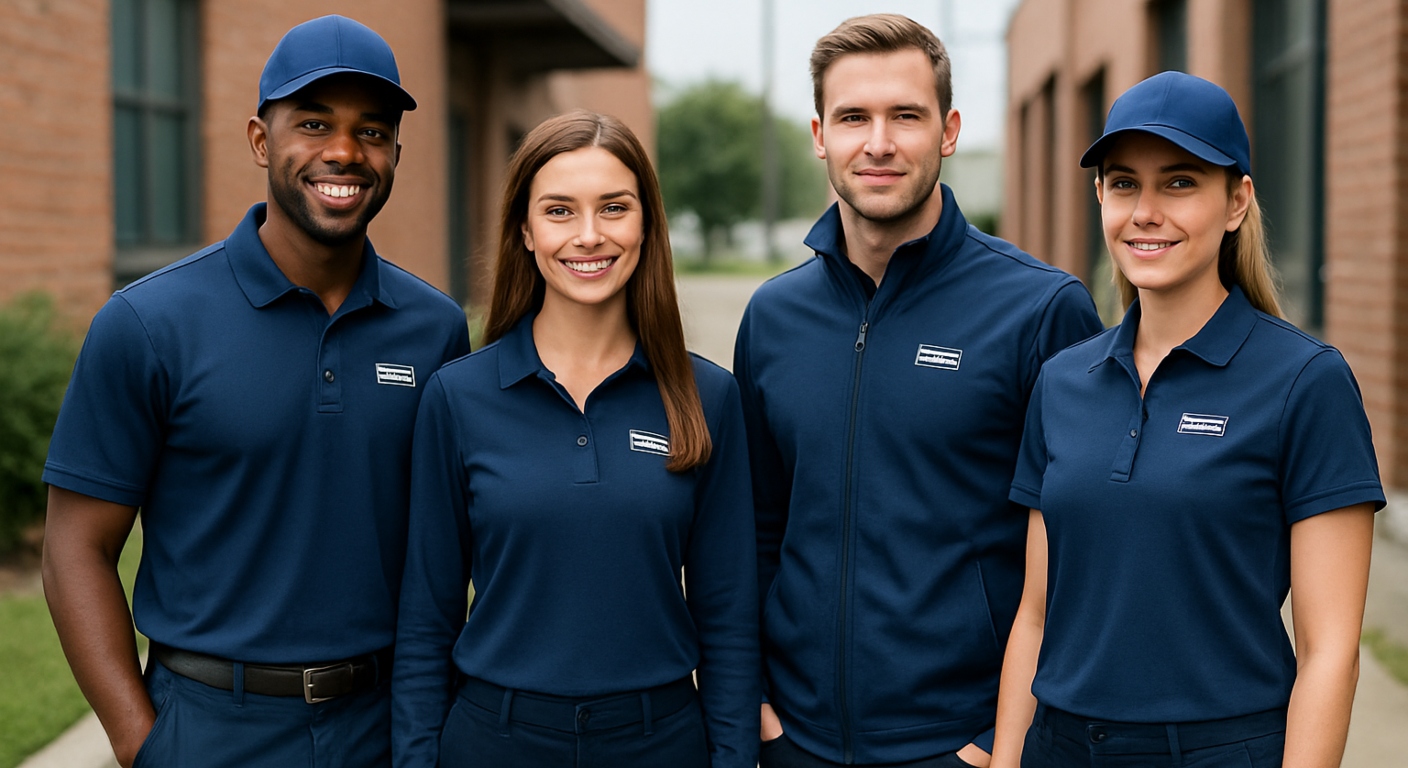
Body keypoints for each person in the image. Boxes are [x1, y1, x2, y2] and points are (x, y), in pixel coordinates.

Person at [41, 15, 470, 768]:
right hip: (208, 726)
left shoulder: (433, 330)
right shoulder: (146, 324)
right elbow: (75, 548)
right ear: (259, 140)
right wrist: (142, 742)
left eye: (371, 131)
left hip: (384, 726)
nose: (344, 151)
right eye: (312, 123)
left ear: (396, 153)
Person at [733, 13, 1104, 768]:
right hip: (794, 743)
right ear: (818, 134)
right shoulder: (773, 317)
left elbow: (1085, 550)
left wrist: (1001, 739)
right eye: (852, 117)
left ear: (949, 130)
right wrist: (757, 702)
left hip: (959, 744)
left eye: (906, 115)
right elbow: (756, 527)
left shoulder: (1040, 310)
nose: (878, 142)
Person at [990, 72, 1383, 768]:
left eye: (1178, 182)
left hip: (1221, 750)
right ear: (1100, 198)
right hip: (1060, 745)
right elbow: (1035, 615)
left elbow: (1330, 653)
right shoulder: (1060, 382)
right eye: (1123, 184)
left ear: (1236, 201)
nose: (1145, 211)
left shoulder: (1305, 381)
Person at [390, 110, 759, 768]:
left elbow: (728, 617)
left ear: (646, 224)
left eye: (613, 208)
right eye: (559, 211)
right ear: (525, 231)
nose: (589, 236)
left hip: (660, 742)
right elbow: (426, 621)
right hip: (494, 742)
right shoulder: (457, 398)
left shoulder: (709, 398)